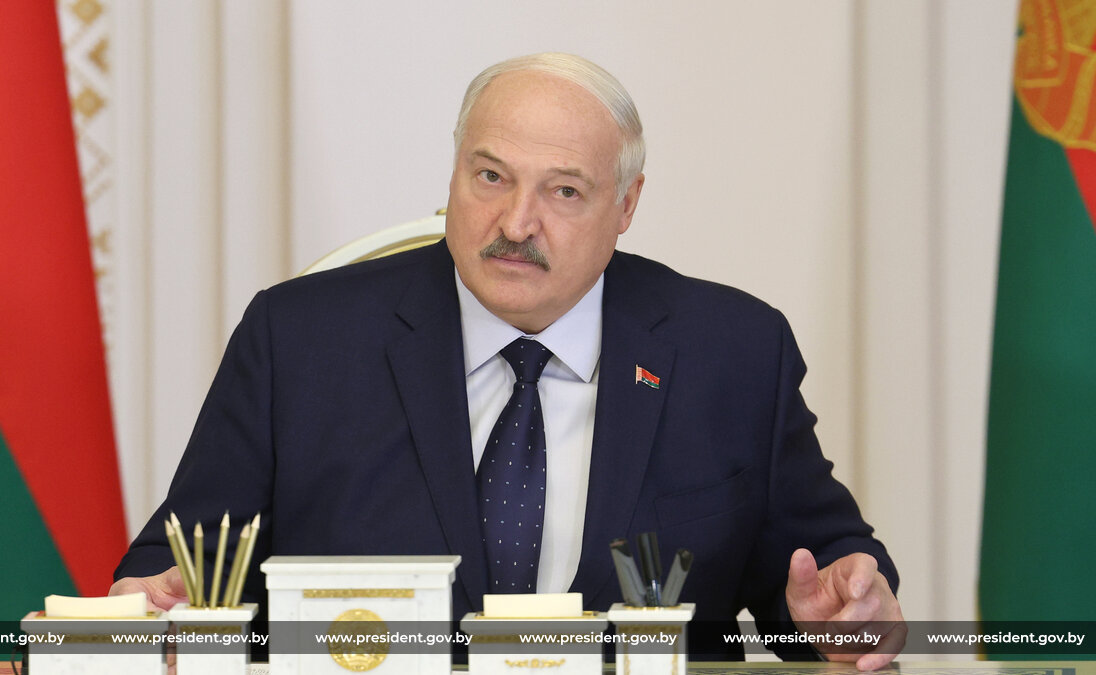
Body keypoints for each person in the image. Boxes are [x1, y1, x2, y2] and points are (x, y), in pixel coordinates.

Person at [112, 53, 904, 668]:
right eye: (490, 176)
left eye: (564, 192)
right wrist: (153, 611)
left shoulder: (731, 352)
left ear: (626, 205)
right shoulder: (301, 341)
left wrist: (844, 611)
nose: (516, 222)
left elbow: (821, 579)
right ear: (454, 169)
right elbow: (183, 572)